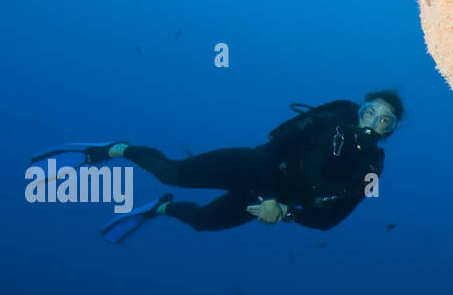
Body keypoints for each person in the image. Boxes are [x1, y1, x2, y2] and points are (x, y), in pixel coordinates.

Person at [33, 91, 401, 242]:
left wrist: (285, 211)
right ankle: (115, 150)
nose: (372, 121)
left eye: (385, 120)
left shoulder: (371, 167)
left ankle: (159, 207)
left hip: (268, 200)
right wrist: (272, 195)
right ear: (357, 110)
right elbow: (274, 147)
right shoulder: (327, 121)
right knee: (171, 173)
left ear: (390, 131)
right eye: (369, 111)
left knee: (201, 224)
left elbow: (329, 220)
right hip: (254, 168)